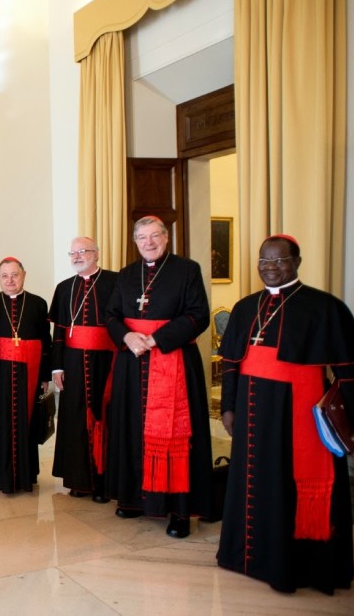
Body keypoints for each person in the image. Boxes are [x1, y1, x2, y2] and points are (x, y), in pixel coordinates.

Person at [216, 235, 354, 594]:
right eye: (264, 261)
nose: (270, 268)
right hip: (252, 411)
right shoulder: (245, 308)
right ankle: (244, 556)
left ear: (297, 262)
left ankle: (295, 566)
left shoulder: (324, 308)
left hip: (297, 415)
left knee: (287, 485)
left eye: (279, 261)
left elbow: (349, 368)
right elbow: (230, 365)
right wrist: (228, 407)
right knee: (251, 483)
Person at [105, 216, 212, 538]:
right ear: (134, 241)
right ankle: (134, 499)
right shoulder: (125, 275)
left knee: (174, 435)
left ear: (166, 238)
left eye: (154, 236)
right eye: (141, 237)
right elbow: (111, 315)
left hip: (172, 360)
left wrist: (154, 339)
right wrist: (126, 337)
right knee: (131, 429)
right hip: (132, 364)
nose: (148, 242)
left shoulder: (186, 270)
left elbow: (198, 315)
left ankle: (178, 511)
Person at [49, 237, 118, 501]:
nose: (77, 256)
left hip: (106, 363)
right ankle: (78, 481)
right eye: (73, 253)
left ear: (96, 254)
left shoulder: (114, 281)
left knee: (104, 417)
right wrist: (56, 367)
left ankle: (105, 482)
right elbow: (59, 332)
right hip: (73, 365)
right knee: (75, 419)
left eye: (83, 251)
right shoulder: (64, 287)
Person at [0, 257, 51, 494]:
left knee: (25, 422)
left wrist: (44, 375)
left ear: (24, 275)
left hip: (28, 374)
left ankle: (25, 476)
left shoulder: (38, 304)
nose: (10, 280)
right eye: (4, 276)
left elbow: (45, 342)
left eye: (15, 275)